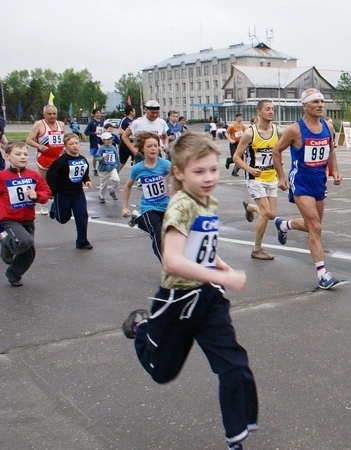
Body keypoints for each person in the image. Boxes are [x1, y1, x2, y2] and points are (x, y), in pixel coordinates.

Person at [121, 133, 257, 450]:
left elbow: (202, 246)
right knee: (162, 373)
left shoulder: (207, 200)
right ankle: (142, 328)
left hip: (208, 299)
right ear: (179, 173)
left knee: (234, 365)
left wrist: (220, 266)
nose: (209, 177)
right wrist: (223, 275)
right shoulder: (180, 206)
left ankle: (236, 438)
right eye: (199, 171)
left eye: (213, 169)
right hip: (176, 302)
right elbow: (172, 259)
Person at [273, 88, 342, 289]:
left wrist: (334, 171)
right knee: (316, 226)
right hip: (301, 180)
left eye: (321, 101)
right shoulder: (295, 129)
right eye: (315, 102)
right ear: (304, 106)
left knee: (315, 224)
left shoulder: (327, 126)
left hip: (319, 179)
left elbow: (331, 151)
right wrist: (281, 176)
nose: (320, 104)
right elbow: (276, 150)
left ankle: (284, 225)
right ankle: (322, 274)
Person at [233, 100, 281, 261]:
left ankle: (250, 208)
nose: (271, 112)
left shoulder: (277, 131)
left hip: (272, 177)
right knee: (266, 213)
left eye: (273, 109)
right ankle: (257, 249)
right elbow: (236, 157)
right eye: (268, 109)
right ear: (259, 112)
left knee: (272, 215)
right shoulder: (250, 133)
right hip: (255, 178)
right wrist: (249, 169)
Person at [0, 141, 52, 286]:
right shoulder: (2, 177)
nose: (22, 157)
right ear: (7, 156)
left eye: (25, 154)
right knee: (25, 242)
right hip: (9, 219)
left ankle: (13, 273)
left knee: (29, 253)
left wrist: (37, 195)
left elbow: (46, 192)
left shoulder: (33, 175)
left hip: (28, 218)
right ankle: (5, 242)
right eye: (18, 154)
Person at [122, 132, 171, 262]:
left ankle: (138, 220)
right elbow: (127, 186)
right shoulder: (138, 168)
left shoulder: (166, 164)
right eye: (149, 146)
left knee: (171, 234)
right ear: (142, 148)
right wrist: (124, 207)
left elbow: (180, 179)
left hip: (166, 205)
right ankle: (167, 267)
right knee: (157, 233)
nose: (153, 148)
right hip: (149, 207)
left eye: (156, 145)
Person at [45, 133, 93, 250]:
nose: (75, 146)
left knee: (82, 216)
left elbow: (84, 173)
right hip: (63, 193)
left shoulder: (82, 159)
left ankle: (82, 241)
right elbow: (50, 174)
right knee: (63, 219)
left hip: (77, 193)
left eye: (76, 143)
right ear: (65, 147)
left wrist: (87, 180)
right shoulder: (62, 160)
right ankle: (54, 208)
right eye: (71, 144)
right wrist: (53, 191)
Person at [25, 104, 66, 215]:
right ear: (44, 114)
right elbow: (28, 140)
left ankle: (58, 203)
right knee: (45, 182)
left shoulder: (61, 124)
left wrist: (66, 147)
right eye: (49, 114)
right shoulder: (39, 124)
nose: (52, 116)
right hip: (45, 158)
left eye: (54, 114)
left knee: (60, 181)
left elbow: (64, 139)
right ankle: (43, 205)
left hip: (58, 157)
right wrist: (39, 146)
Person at [121, 100, 169, 165]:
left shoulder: (162, 122)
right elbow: (124, 136)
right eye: (152, 113)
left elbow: (165, 137)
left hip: (157, 154)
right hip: (141, 155)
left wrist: (166, 144)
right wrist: (133, 150)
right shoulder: (137, 122)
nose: (155, 115)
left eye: (157, 113)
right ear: (146, 111)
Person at [96, 132, 121, 204]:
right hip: (103, 169)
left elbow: (116, 158)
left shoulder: (113, 147)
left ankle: (112, 191)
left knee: (117, 180)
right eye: (107, 139)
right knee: (103, 184)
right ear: (103, 140)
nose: (109, 141)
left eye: (110, 139)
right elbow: (97, 157)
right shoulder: (101, 148)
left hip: (112, 167)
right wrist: (102, 159)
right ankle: (101, 196)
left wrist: (118, 167)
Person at [85, 108, 104, 176]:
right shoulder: (91, 123)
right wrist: (94, 133)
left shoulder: (102, 122)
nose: (99, 114)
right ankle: (94, 169)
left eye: (99, 113)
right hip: (94, 142)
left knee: (102, 155)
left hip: (101, 141)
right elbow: (86, 132)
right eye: (97, 113)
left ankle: (102, 168)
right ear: (94, 114)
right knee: (95, 156)